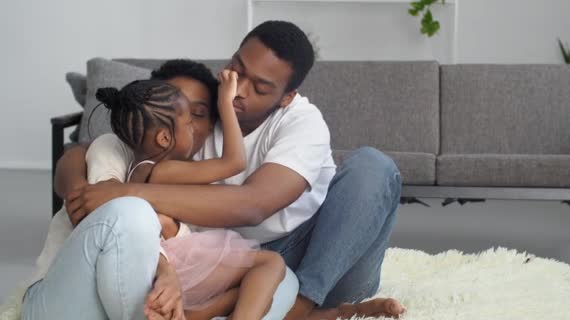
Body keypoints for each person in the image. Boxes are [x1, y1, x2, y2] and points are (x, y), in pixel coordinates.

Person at [57, 21, 406, 319]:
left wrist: (125, 192)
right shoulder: (200, 110)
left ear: (286, 96)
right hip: (232, 265)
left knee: (373, 166)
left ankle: (300, 307)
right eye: (237, 69)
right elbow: (94, 148)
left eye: (260, 87)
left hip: (326, 262)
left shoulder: (302, 123)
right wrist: (80, 189)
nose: (238, 89)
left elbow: (253, 205)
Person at [21, 63, 298, 320]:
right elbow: (235, 162)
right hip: (159, 262)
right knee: (270, 264)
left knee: (276, 277)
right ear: (164, 137)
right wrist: (226, 103)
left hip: (156, 269)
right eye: (189, 120)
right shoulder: (160, 169)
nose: (193, 126)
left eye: (199, 115)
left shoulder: (140, 168)